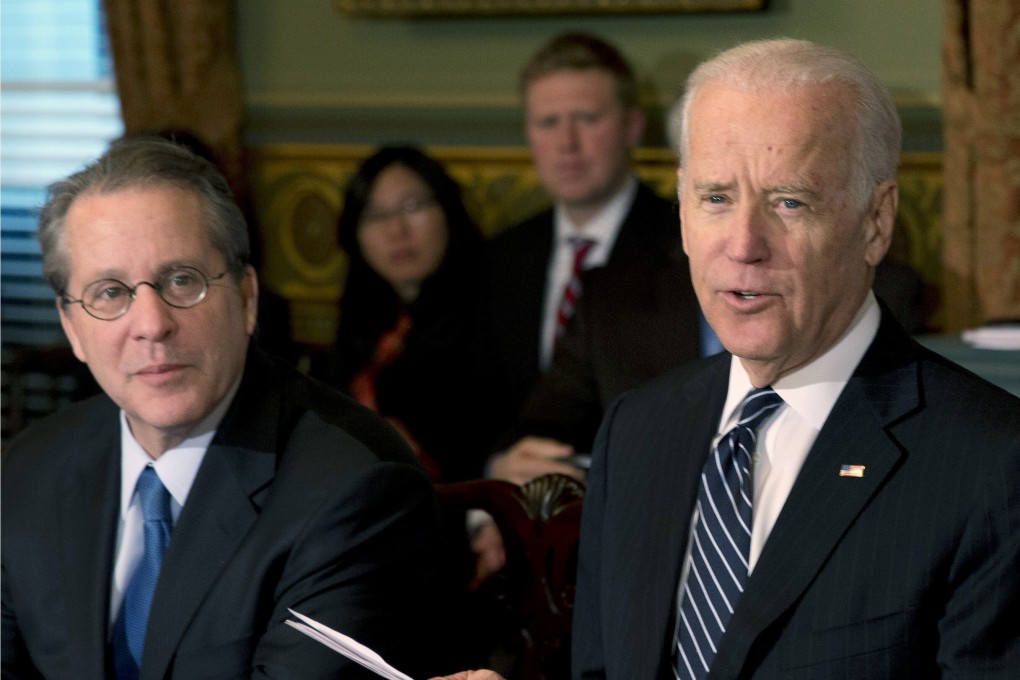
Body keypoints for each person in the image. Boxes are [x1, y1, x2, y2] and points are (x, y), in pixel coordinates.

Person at [570, 38, 1020, 678]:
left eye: (789, 201)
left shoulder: (991, 467)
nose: (745, 245)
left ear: (876, 221)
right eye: (716, 198)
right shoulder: (636, 429)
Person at [1, 137, 445, 679]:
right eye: (110, 292)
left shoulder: (356, 492)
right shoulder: (27, 470)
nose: (151, 325)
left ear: (246, 297)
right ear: (72, 326)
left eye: (181, 281)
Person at [482, 31, 700, 483]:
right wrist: (496, 479)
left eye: (586, 119)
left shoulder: (686, 246)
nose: (566, 143)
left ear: (632, 128)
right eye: (548, 123)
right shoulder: (499, 257)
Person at [310, 146, 495, 483]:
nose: (396, 231)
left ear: (448, 210)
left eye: (412, 207)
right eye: (375, 215)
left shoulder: (494, 310)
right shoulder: (362, 318)